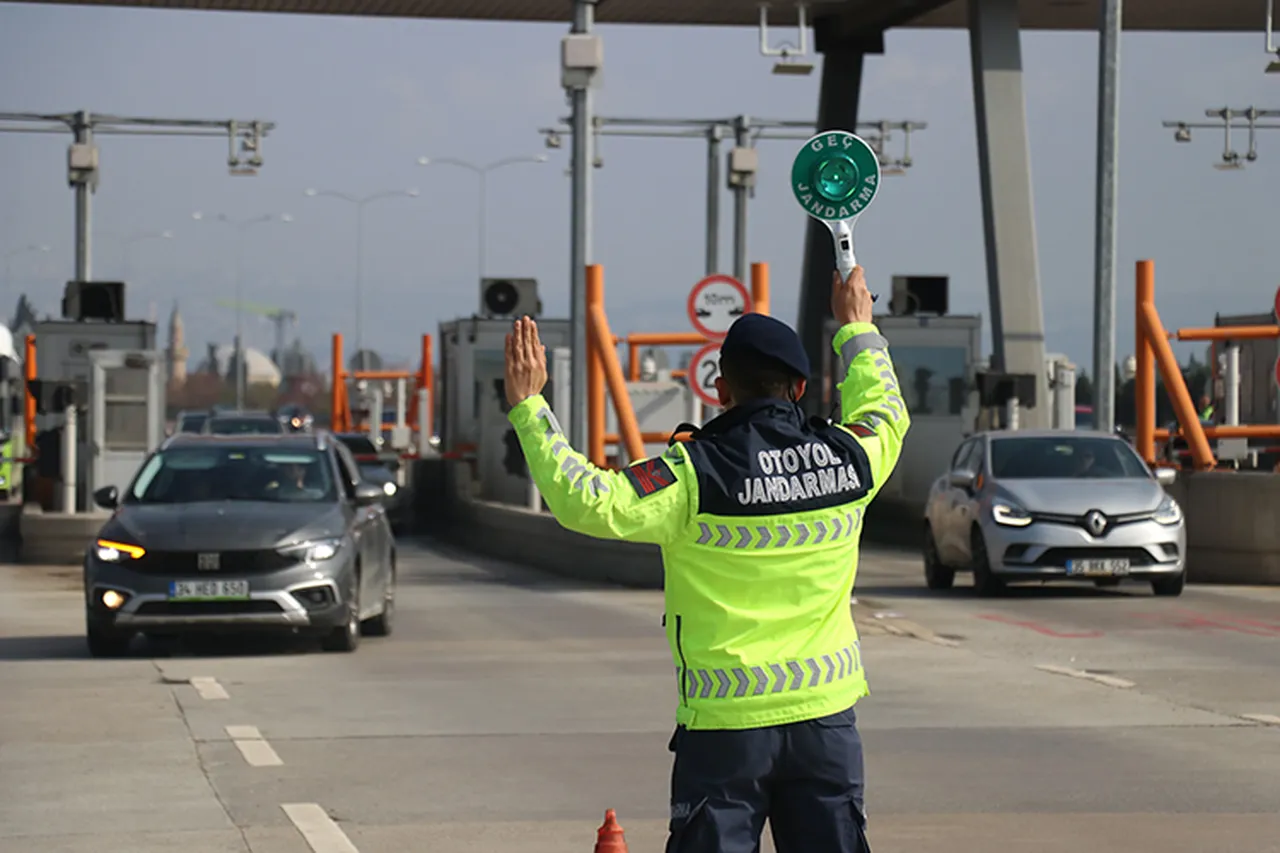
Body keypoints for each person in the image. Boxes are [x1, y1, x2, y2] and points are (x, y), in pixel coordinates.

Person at [503, 266, 909, 853]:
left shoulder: (692, 475)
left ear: (722, 389)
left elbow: (581, 499)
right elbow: (885, 409)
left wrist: (530, 406)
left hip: (725, 732)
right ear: (799, 388)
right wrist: (857, 329)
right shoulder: (852, 458)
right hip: (826, 723)